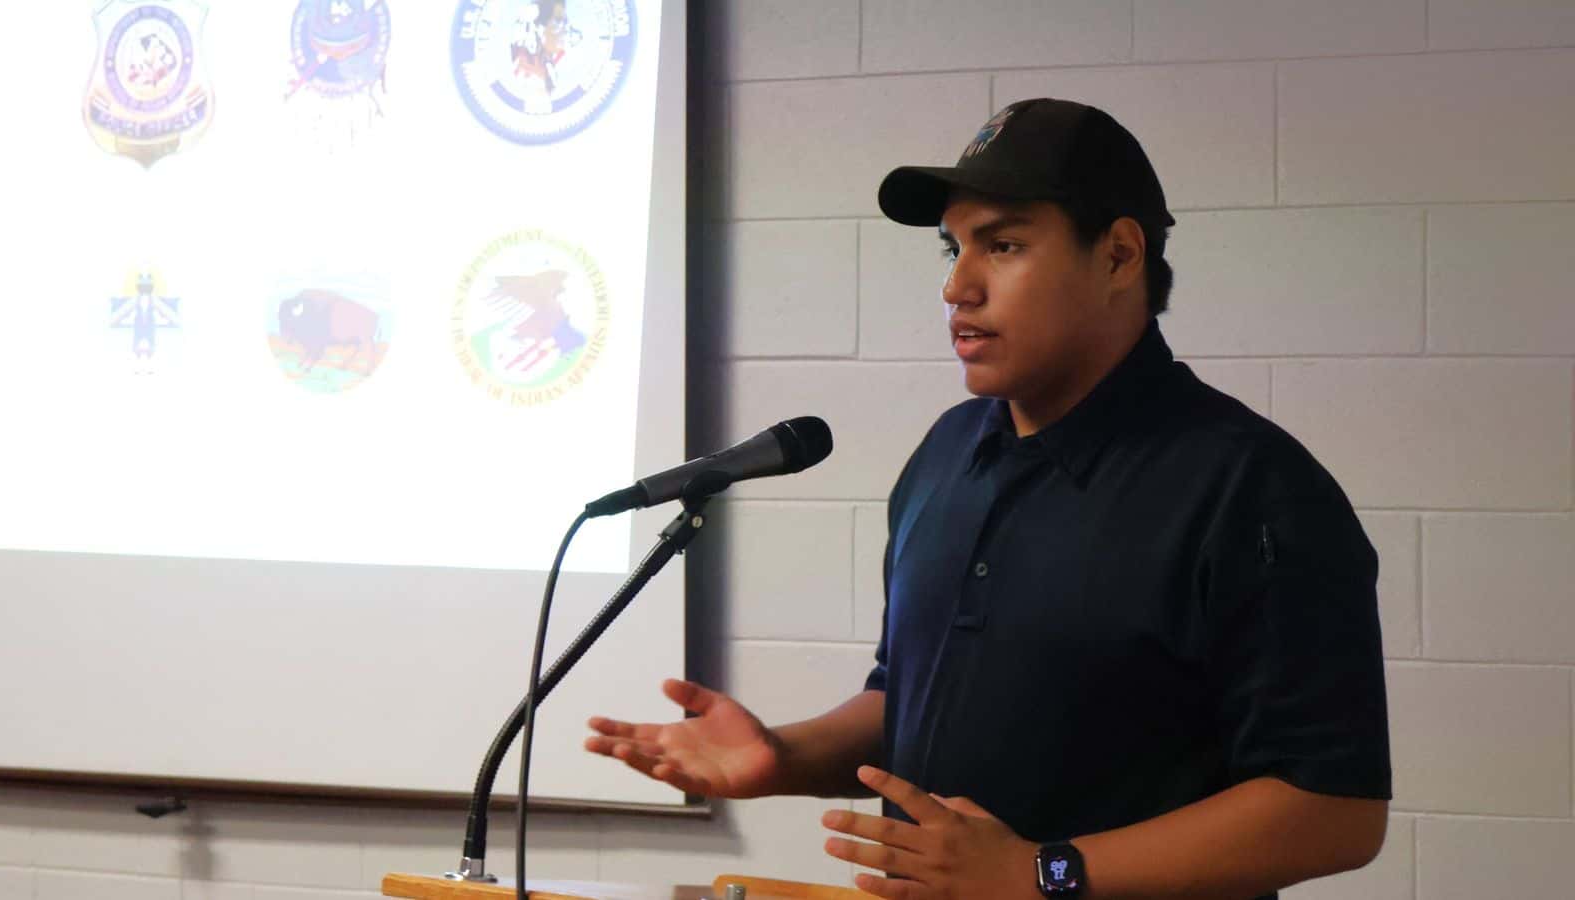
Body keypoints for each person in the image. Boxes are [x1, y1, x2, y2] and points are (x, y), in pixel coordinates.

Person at [586, 98, 1391, 900]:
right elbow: (906, 693)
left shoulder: (1251, 488)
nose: (957, 286)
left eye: (1003, 246)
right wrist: (782, 756)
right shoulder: (946, 454)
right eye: (954, 247)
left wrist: (1041, 875)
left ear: (1117, 256)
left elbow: (1333, 810)